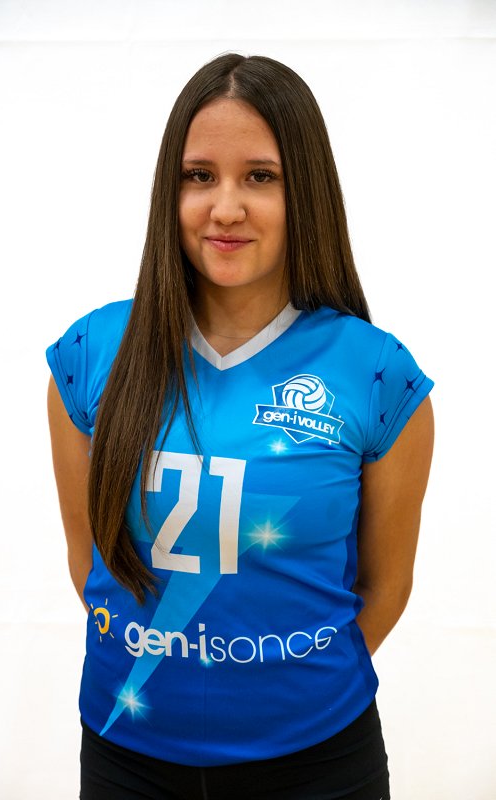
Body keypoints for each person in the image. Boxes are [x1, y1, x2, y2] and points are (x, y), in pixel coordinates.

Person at [47, 53, 434, 800]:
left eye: (260, 176)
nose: (225, 207)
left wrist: (275, 687)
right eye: (199, 176)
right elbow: (88, 562)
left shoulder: (377, 374)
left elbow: (384, 587)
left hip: (317, 761)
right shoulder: (91, 354)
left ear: (305, 192)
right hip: (127, 751)